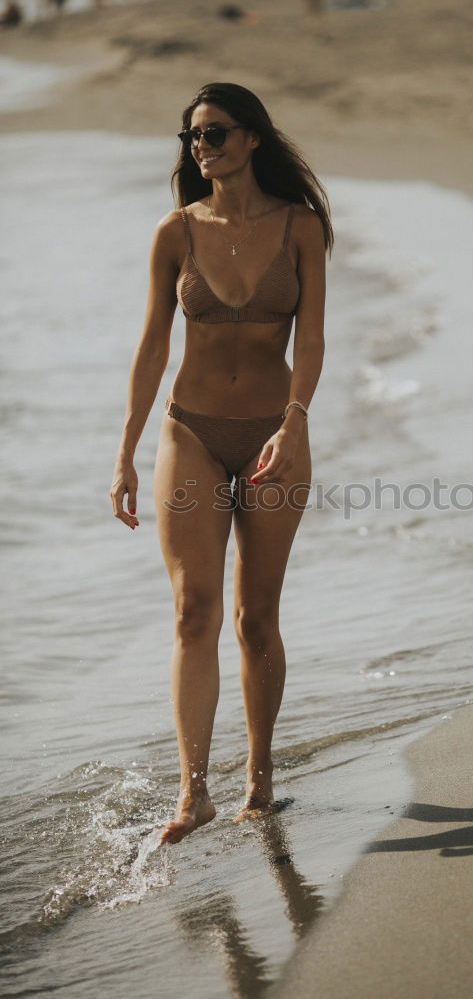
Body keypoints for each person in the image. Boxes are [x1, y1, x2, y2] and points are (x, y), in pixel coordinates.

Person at [109, 82, 331, 846]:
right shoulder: (175, 232)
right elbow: (151, 349)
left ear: (254, 139)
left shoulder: (301, 228)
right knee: (193, 611)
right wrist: (126, 452)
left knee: (255, 620)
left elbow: (313, 341)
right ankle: (193, 792)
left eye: (216, 133)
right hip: (191, 434)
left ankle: (260, 779)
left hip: (276, 432)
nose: (202, 147)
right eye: (193, 137)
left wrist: (295, 426)